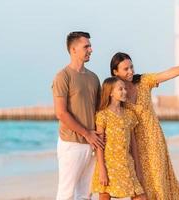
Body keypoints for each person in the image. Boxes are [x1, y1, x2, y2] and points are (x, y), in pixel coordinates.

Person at [110, 52, 179, 200]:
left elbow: (168, 73)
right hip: (133, 146)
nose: (131, 71)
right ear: (115, 72)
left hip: (154, 141)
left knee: (158, 183)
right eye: (125, 69)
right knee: (139, 187)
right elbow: (107, 117)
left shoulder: (143, 81)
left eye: (132, 67)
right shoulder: (115, 92)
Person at [52, 31, 104, 200]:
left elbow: (98, 111)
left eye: (90, 46)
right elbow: (61, 113)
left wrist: (96, 137)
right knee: (66, 193)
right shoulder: (63, 76)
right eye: (86, 46)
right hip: (71, 143)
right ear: (73, 50)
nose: (91, 49)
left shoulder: (93, 78)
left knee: (85, 194)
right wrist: (86, 133)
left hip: (92, 144)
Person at [91, 77, 147, 200]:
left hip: (127, 164)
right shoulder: (102, 115)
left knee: (141, 196)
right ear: (110, 92)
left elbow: (133, 144)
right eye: (120, 89)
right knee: (105, 195)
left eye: (125, 89)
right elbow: (99, 145)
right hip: (108, 164)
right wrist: (102, 170)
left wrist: (137, 167)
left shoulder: (129, 115)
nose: (124, 92)